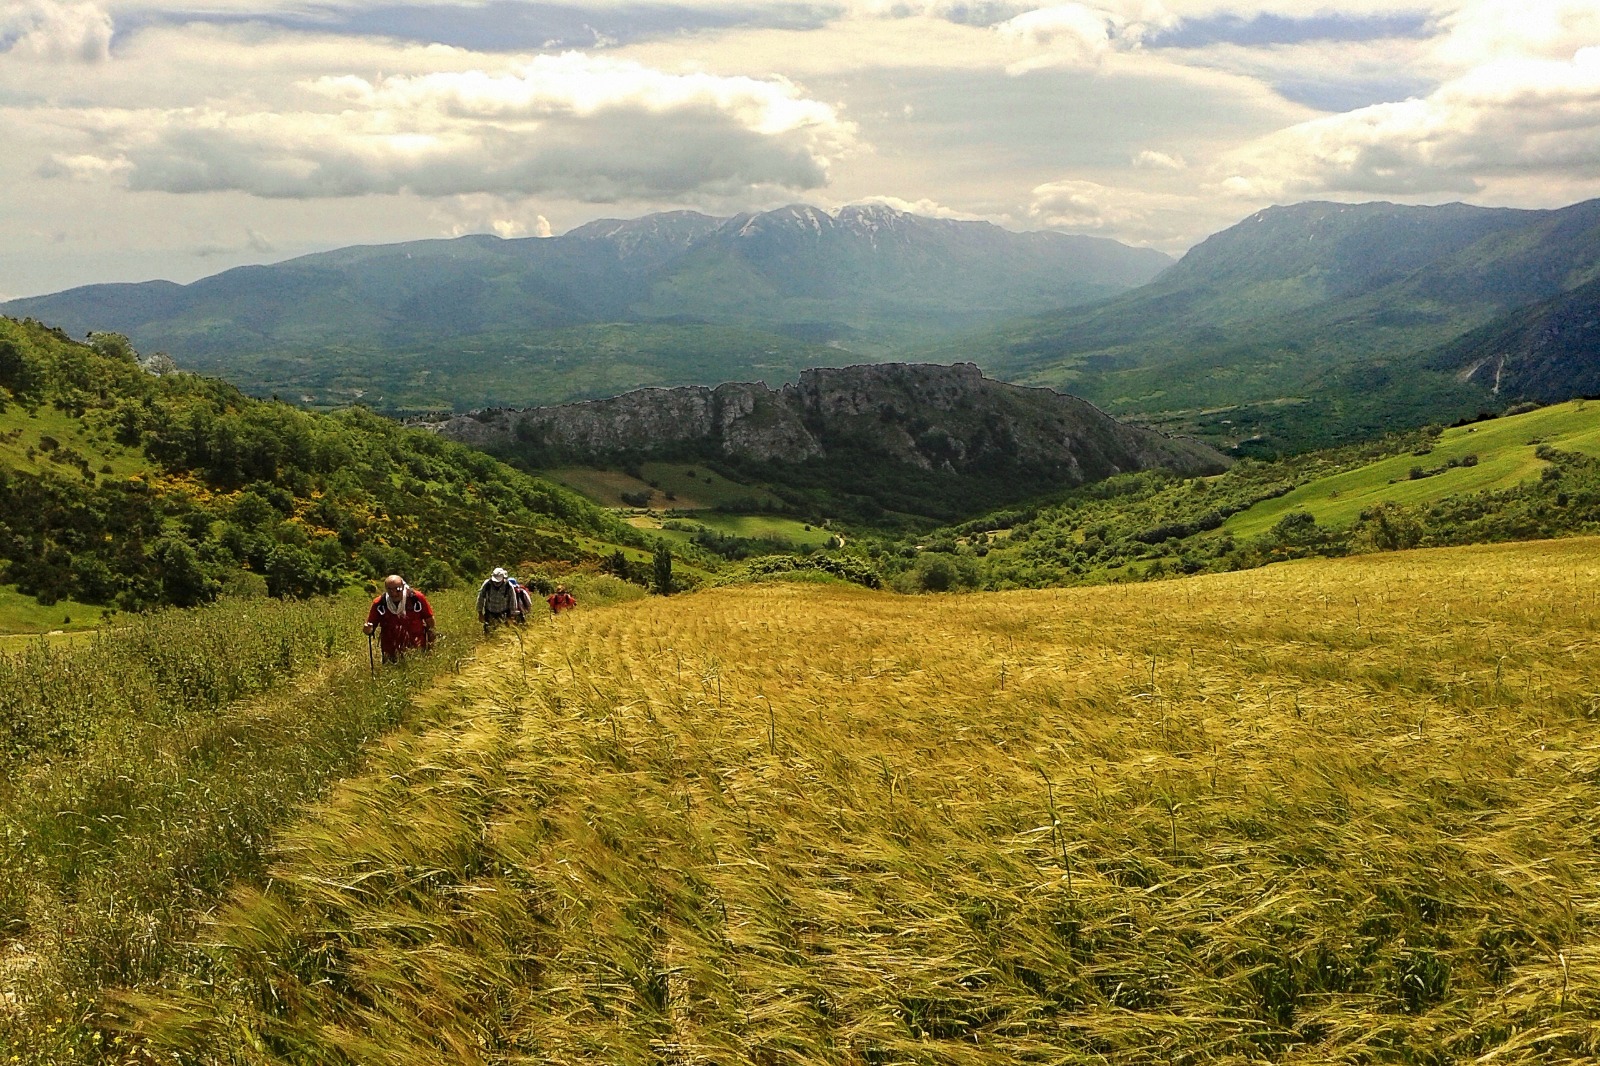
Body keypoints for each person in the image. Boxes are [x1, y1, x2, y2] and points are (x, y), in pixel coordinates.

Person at [364, 574, 435, 663]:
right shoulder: (379, 603)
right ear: (386, 589)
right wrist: (367, 629)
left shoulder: (416, 598)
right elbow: (369, 629)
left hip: (416, 649)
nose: (394, 593)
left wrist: (431, 645)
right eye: (390, 590)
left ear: (403, 587)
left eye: (398, 589)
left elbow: (430, 621)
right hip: (390, 652)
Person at [477, 566, 521, 631]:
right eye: (495, 581)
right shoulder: (487, 584)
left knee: (504, 632)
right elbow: (480, 598)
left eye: (498, 582)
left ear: (503, 578)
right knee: (488, 631)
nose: (496, 583)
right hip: (490, 612)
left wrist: (512, 615)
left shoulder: (509, 586)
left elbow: (513, 601)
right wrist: (480, 613)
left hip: (504, 613)